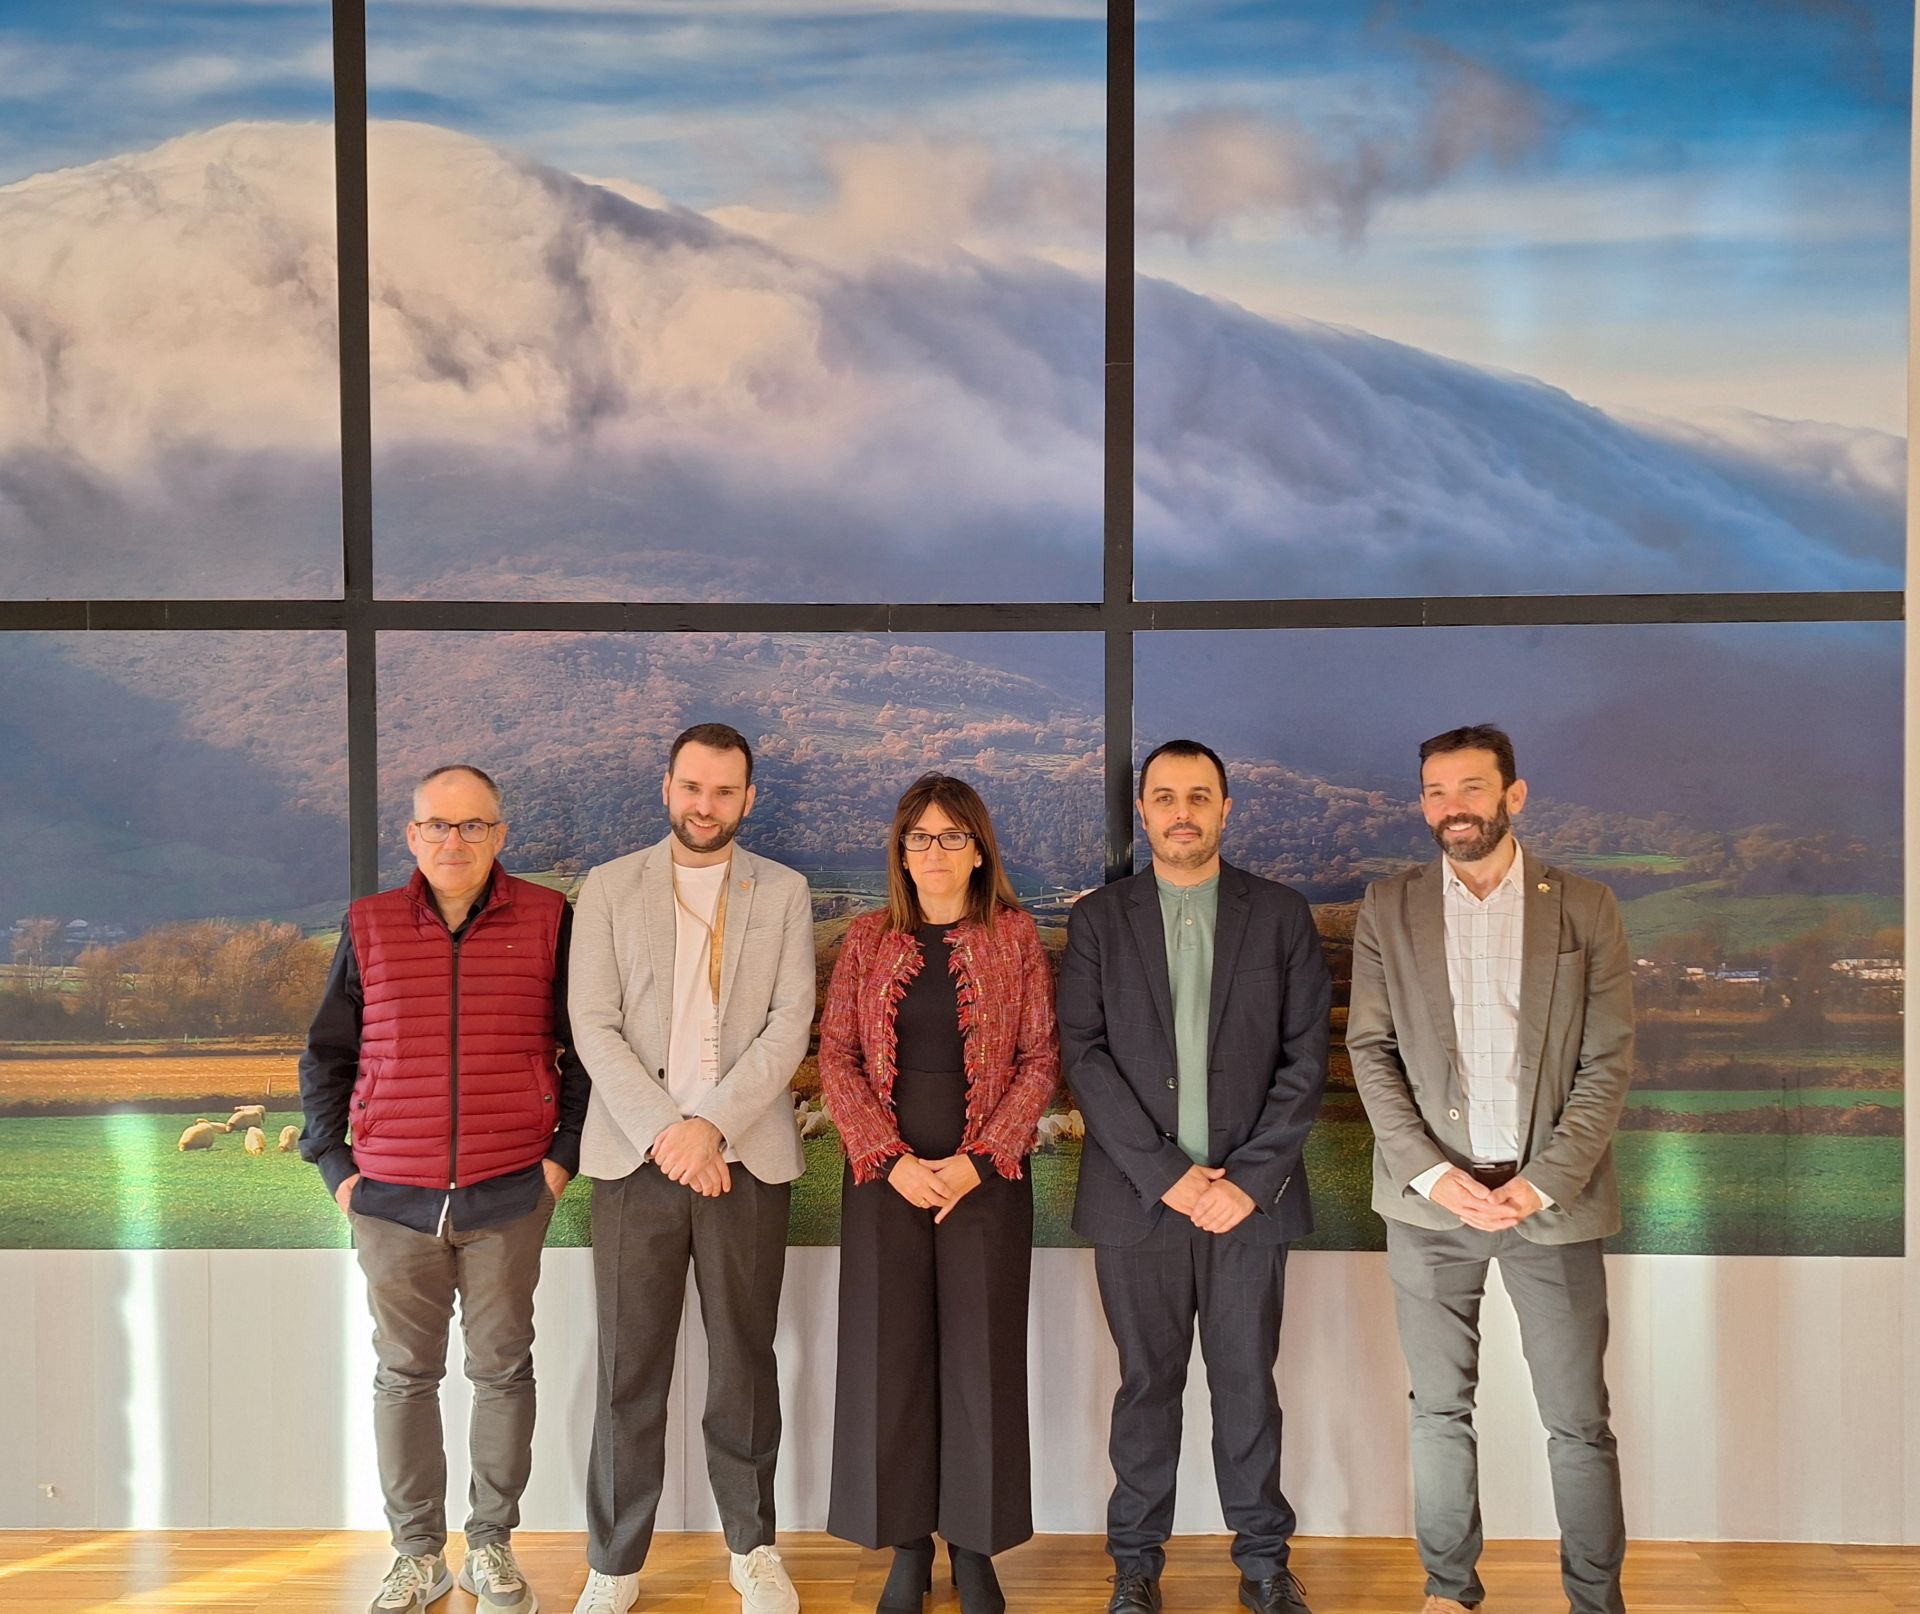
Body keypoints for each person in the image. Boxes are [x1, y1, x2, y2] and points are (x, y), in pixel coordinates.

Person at [1345, 724, 1633, 1614]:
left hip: (1554, 1204)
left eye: (1471, 788)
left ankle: (1595, 1601)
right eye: (1434, 791)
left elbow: (1607, 1062)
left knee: (1578, 1423)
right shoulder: (1386, 908)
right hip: (1431, 1209)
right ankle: (1448, 1594)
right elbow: (1371, 1051)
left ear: (1515, 795)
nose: (1451, 807)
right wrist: (1435, 1177)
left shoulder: (1586, 906)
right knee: (1438, 1411)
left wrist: (1541, 1182)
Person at [300, 763, 589, 1614]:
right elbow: (326, 1054)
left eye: (472, 826)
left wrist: (560, 1157)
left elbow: (584, 1047)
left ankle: (492, 1545)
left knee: (501, 1371)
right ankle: (417, 1555)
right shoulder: (371, 924)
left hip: (510, 1191)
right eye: (437, 825)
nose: (453, 842)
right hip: (390, 1196)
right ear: (412, 834)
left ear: (500, 835)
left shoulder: (546, 917)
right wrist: (336, 1167)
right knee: (404, 1376)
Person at [1058, 740, 1330, 1614]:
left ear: (1225, 810)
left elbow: (1305, 1060)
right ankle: (1136, 1565)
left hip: (1252, 1205)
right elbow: (1085, 1059)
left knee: (1248, 1384)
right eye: (1166, 796)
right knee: (1147, 1387)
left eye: (1200, 796)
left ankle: (1262, 1564)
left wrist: (1243, 1181)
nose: (1183, 811)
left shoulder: (1282, 915)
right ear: (1143, 810)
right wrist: (1170, 1176)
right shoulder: (1100, 919)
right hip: (1139, 1202)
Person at [567, 723, 814, 1614]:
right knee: (630, 1365)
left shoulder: (783, 891)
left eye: (723, 791)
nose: (704, 806)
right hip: (637, 1160)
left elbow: (790, 1023)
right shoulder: (606, 888)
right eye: (691, 788)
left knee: (744, 1362)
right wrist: (671, 1133)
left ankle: (753, 1549)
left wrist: (709, 1126)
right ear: (666, 789)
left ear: (748, 800)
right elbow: (592, 1025)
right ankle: (614, 1562)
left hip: (745, 1159)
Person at [817, 773, 1059, 1614]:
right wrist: (889, 1159)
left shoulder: (1017, 937)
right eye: (919, 837)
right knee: (893, 1362)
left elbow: (1039, 1060)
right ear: (900, 849)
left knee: (980, 1364)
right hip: (883, 1181)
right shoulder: (867, 939)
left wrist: (979, 1160)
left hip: (985, 1182)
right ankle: (908, 1549)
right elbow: (837, 1057)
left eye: (952, 836)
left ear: (980, 848)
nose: (935, 852)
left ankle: (978, 1548)